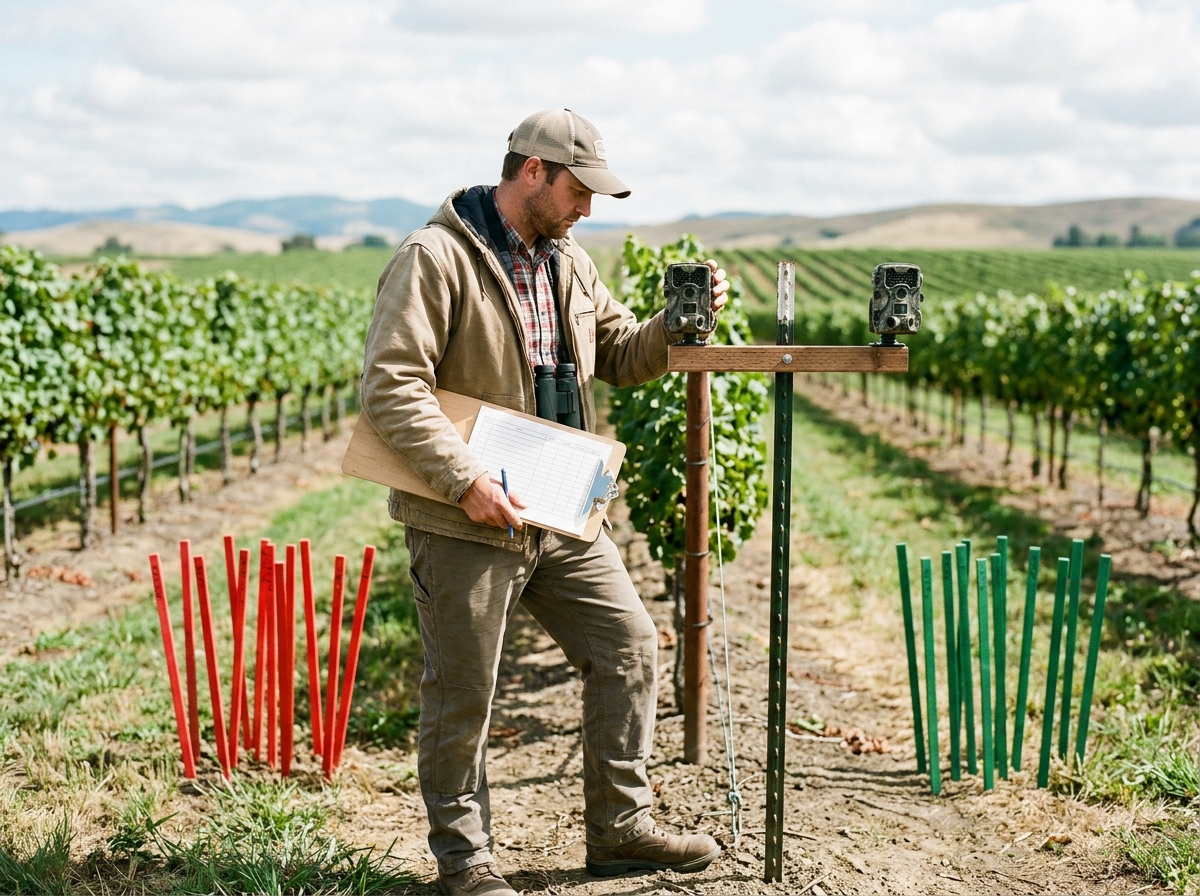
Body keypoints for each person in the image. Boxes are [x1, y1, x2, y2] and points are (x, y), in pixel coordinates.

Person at [360, 108, 729, 896]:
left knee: (629, 645)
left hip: (563, 506)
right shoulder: (434, 258)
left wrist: (678, 325)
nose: (587, 209)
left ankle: (620, 829)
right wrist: (465, 478)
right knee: (464, 690)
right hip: (466, 513)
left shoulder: (569, 262)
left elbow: (624, 358)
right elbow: (392, 384)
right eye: (578, 191)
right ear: (533, 171)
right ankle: (465, 861)